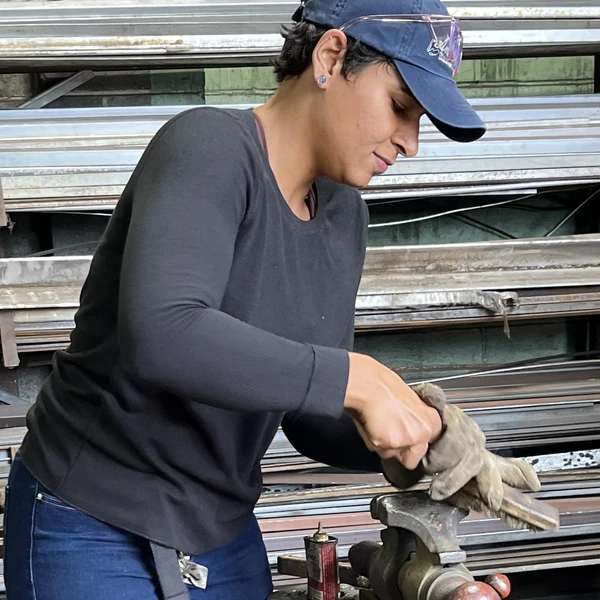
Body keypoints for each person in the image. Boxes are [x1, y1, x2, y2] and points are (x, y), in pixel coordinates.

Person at [3, 0, 539, 599]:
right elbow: (165, 333)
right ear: (332, 57)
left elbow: (309, 417)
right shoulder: (210, 147)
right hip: (96, 521)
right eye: (400, 108)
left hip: (221, 530)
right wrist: (359, 381)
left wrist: (423, 441)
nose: (410, 143)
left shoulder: (342, 216)